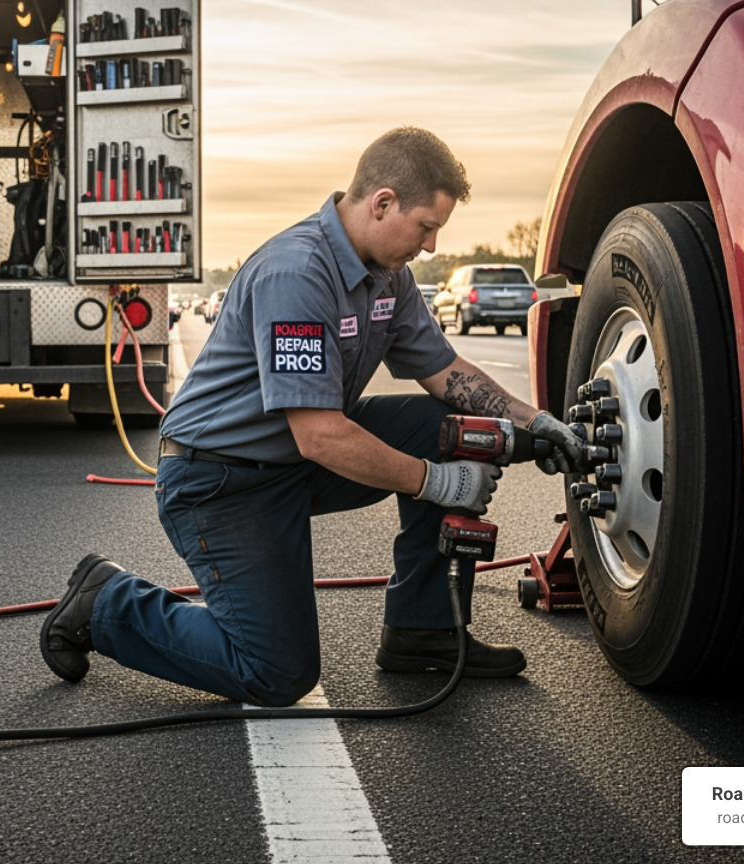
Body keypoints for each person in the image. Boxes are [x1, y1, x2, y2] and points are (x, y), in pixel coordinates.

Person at [41, 127, 586, 706]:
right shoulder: (297, 274)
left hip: (289, 464)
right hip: (221, 481)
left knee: (451, 429)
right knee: (276, 672)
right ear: (383, 203)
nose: (430, 246)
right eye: (427, 226)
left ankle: (423, 631)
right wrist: (438, 481)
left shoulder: (388, 278)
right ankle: (107, 603)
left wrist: (532, 423)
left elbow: (445, 370)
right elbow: (321, 434)